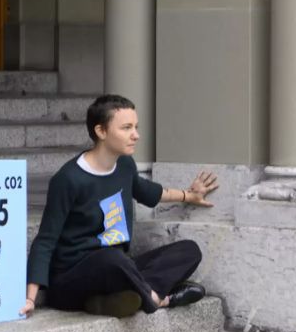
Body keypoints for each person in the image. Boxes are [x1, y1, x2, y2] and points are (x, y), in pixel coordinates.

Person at [19, 94, 219, 319]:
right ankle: (157, 299)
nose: (136, 135)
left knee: (189, 250)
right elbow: (46, 240)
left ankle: (111, 300)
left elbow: (148, 191)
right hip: (70, 279)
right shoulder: (68, 179)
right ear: (101, 131)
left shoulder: (124, 165)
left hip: (117, 268)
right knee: (112, 259)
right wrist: (30, 298)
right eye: (126, 128)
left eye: (135, 127)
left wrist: (189, 195)